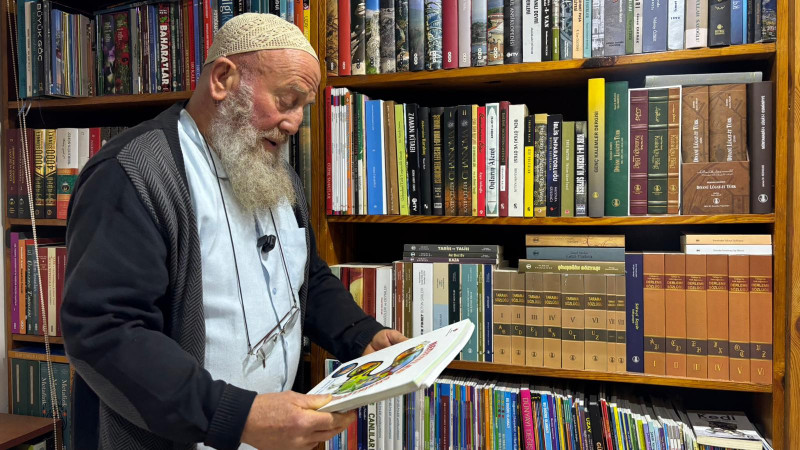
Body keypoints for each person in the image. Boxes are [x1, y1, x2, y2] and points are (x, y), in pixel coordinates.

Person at [61, 13, 405, 450]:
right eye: (287, 100)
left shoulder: (273, 170)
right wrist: (235, 416)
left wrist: (360, 334)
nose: (294, 123)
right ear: (223, 79)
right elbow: (106, 333)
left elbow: (304, 278)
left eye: (303, 107)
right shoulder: (134, 173)